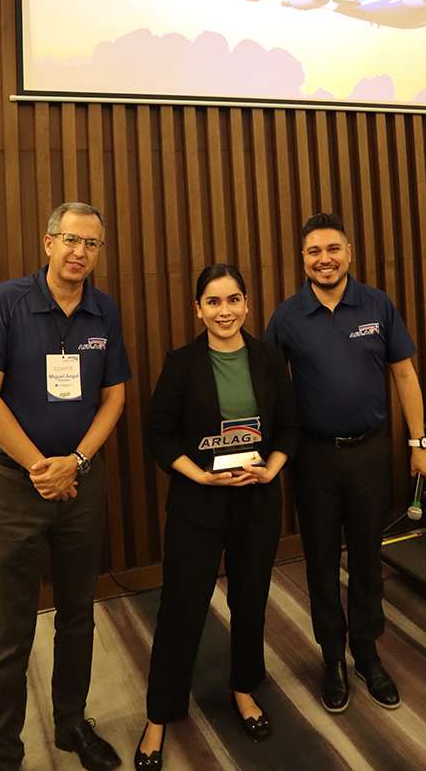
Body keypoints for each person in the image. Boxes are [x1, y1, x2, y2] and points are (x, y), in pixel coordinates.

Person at [0, 202, 131, 771]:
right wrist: (44, 468)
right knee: (10, 629)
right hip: (19, 489)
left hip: (80, 486)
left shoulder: (104, 311)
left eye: (91, 244)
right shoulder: (7, 302)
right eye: (70, 240)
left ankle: (70, 724)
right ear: (48, 243)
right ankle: (3, 755)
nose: (80, 252)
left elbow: (114, 397)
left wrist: (76, 462)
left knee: (78, 614)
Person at [266, 212, 426, 713]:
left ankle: (366, 652)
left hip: (369, 454)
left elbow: (404, 375)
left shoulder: (378, 305)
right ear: (303, 259)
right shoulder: (288, 316)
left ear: (349, 253)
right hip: (313, 459)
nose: (325, 259)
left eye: (333, 249)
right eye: (314, 251)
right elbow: (268, 386)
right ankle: (332, 657)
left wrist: (418, 442)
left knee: (366, 556)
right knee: (320, 560)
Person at [135, 264, 298, 770]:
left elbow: (289, 427)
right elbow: (159, 435)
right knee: (181, 609)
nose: (224, 311)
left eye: (233, 300)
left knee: (250, 603)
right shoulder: (181, 364)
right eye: (213, 302)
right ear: (198, 310)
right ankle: (159, 715)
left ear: (247, 304)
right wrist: (200, 477)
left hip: (256, 503)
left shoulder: (268, 359)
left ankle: (244, 689)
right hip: (197, 505)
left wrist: (271, 470)